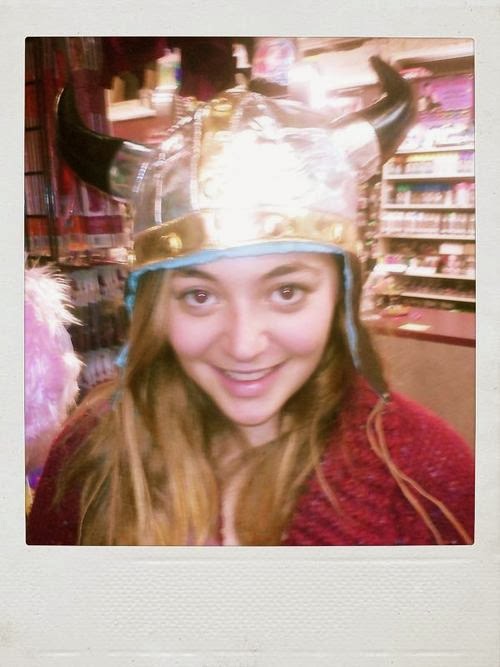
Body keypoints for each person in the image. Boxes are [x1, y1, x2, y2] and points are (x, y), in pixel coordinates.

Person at [27, 57, 474, 546]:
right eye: (200, 295)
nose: (243, 346)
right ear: (153, 306)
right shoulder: (91, 453)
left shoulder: (425, 476)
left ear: (341, 297)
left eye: (286, 292)